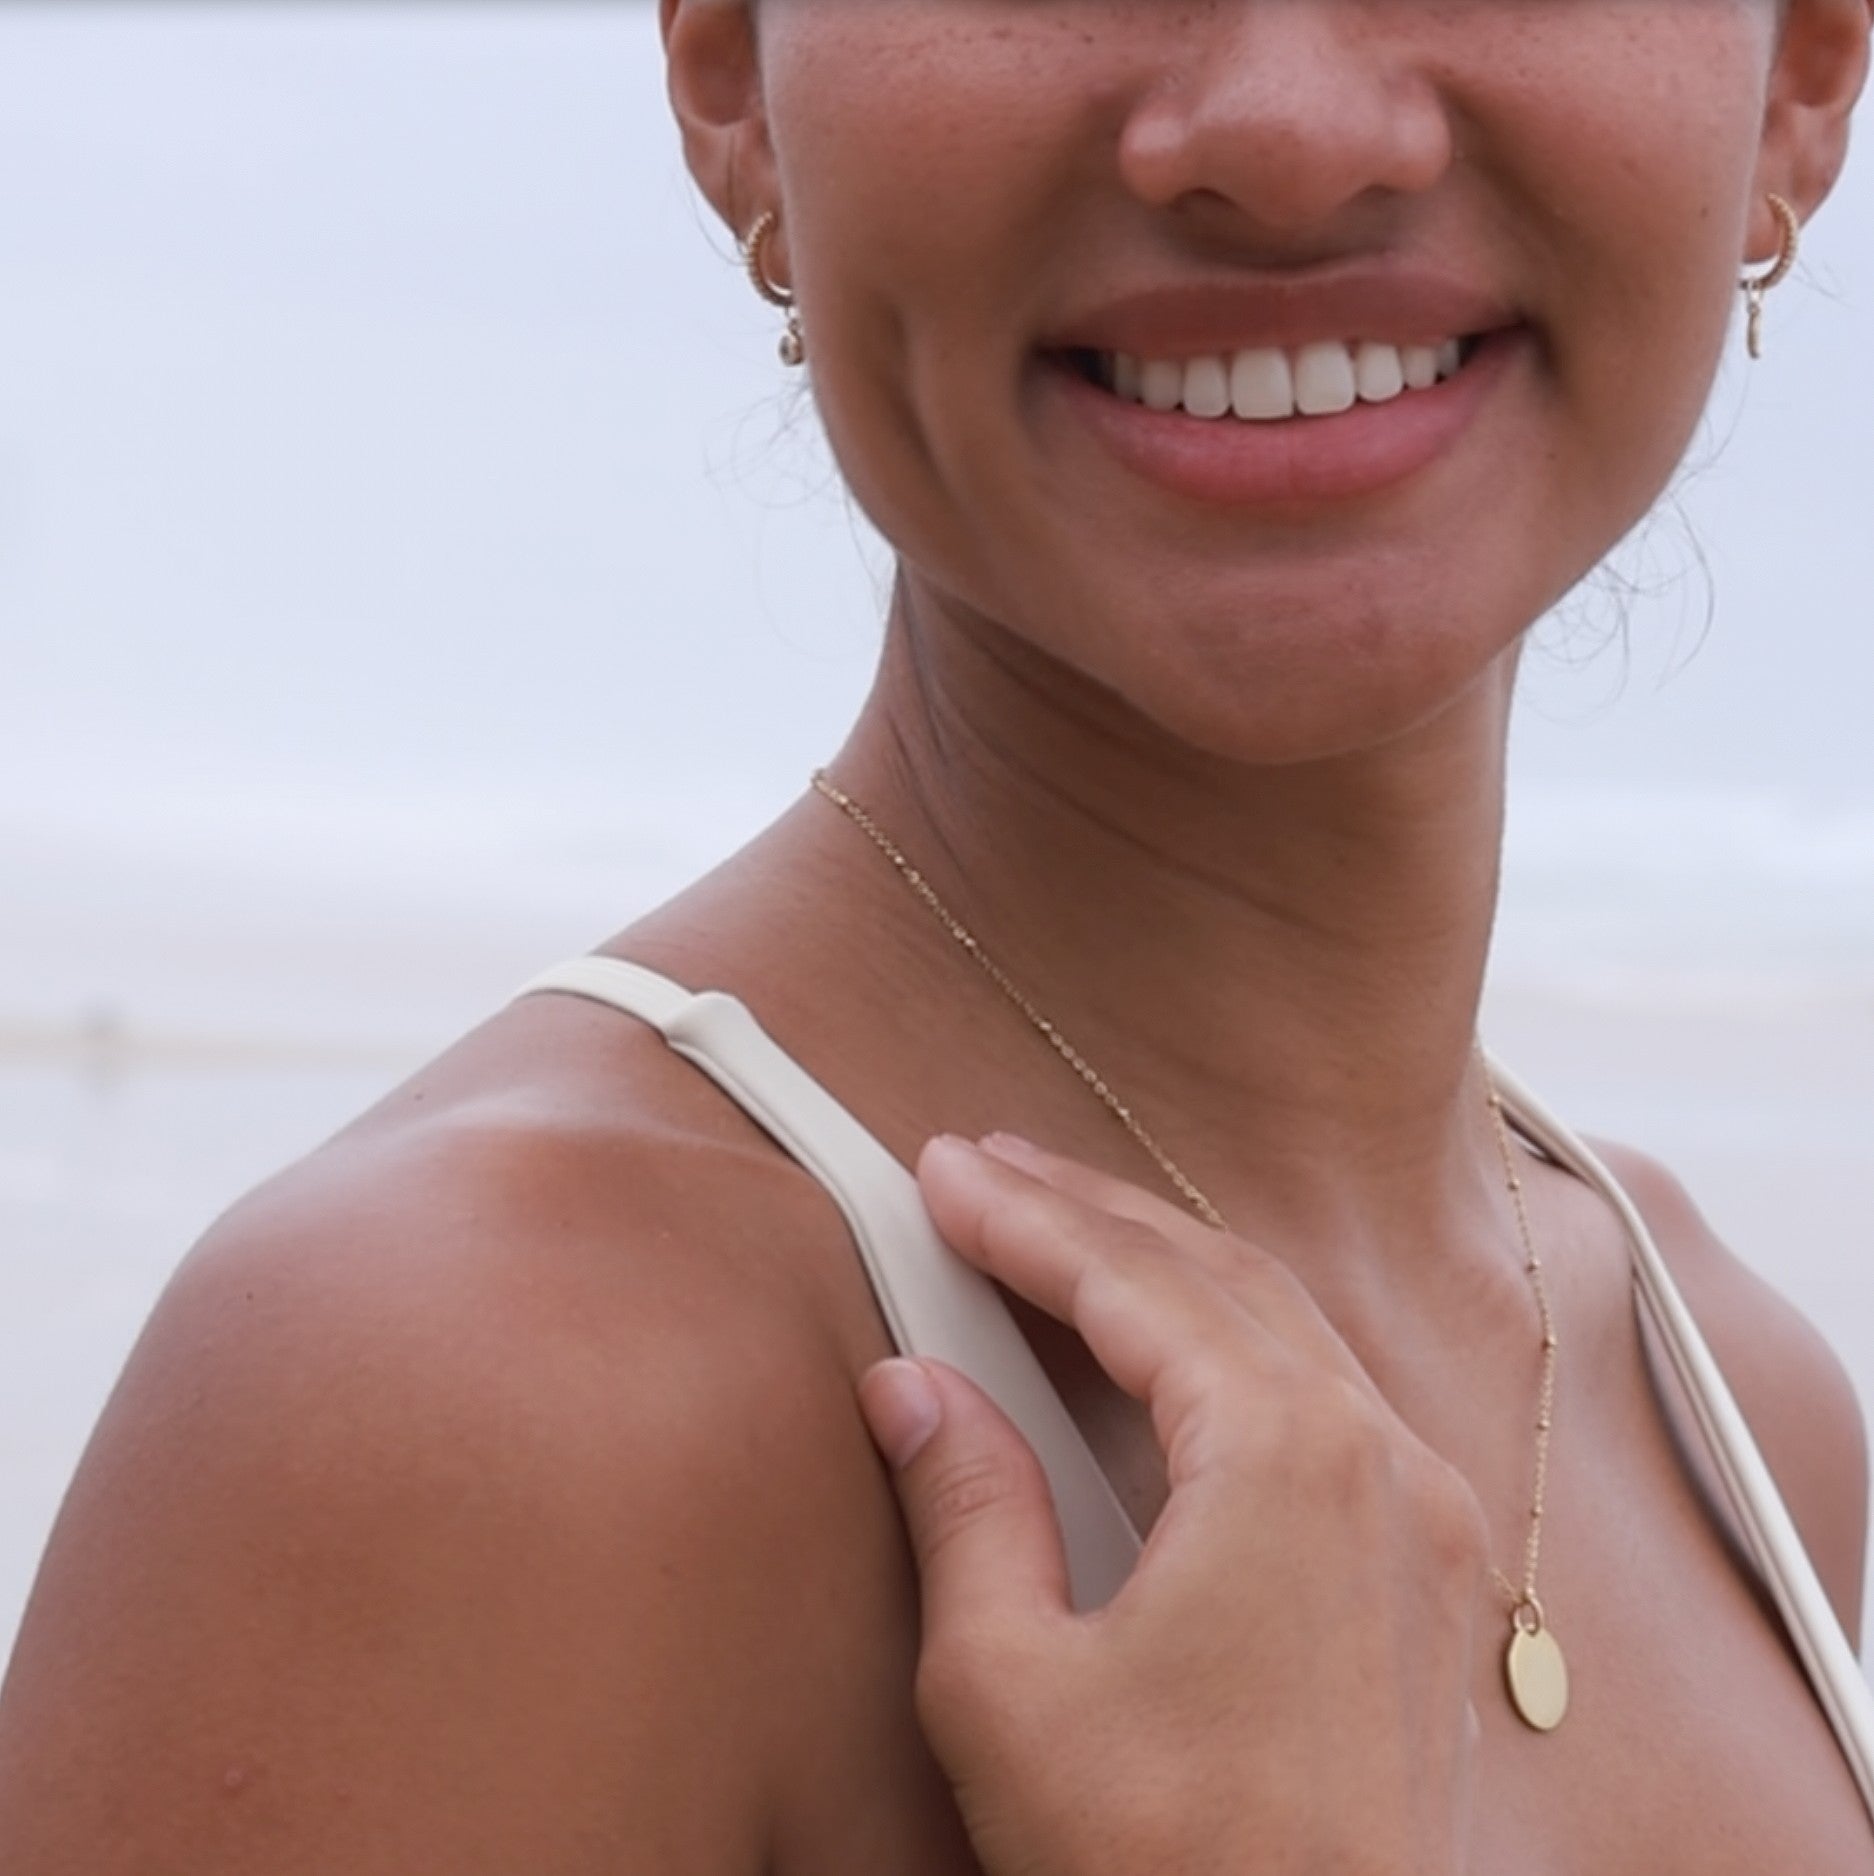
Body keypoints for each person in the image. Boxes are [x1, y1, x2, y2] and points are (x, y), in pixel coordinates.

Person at [2, 0, 1872, 1868]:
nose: (1287, 127)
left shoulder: (1731, 1401)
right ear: (731, 78)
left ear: (1798, 77)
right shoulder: (464, 1402)